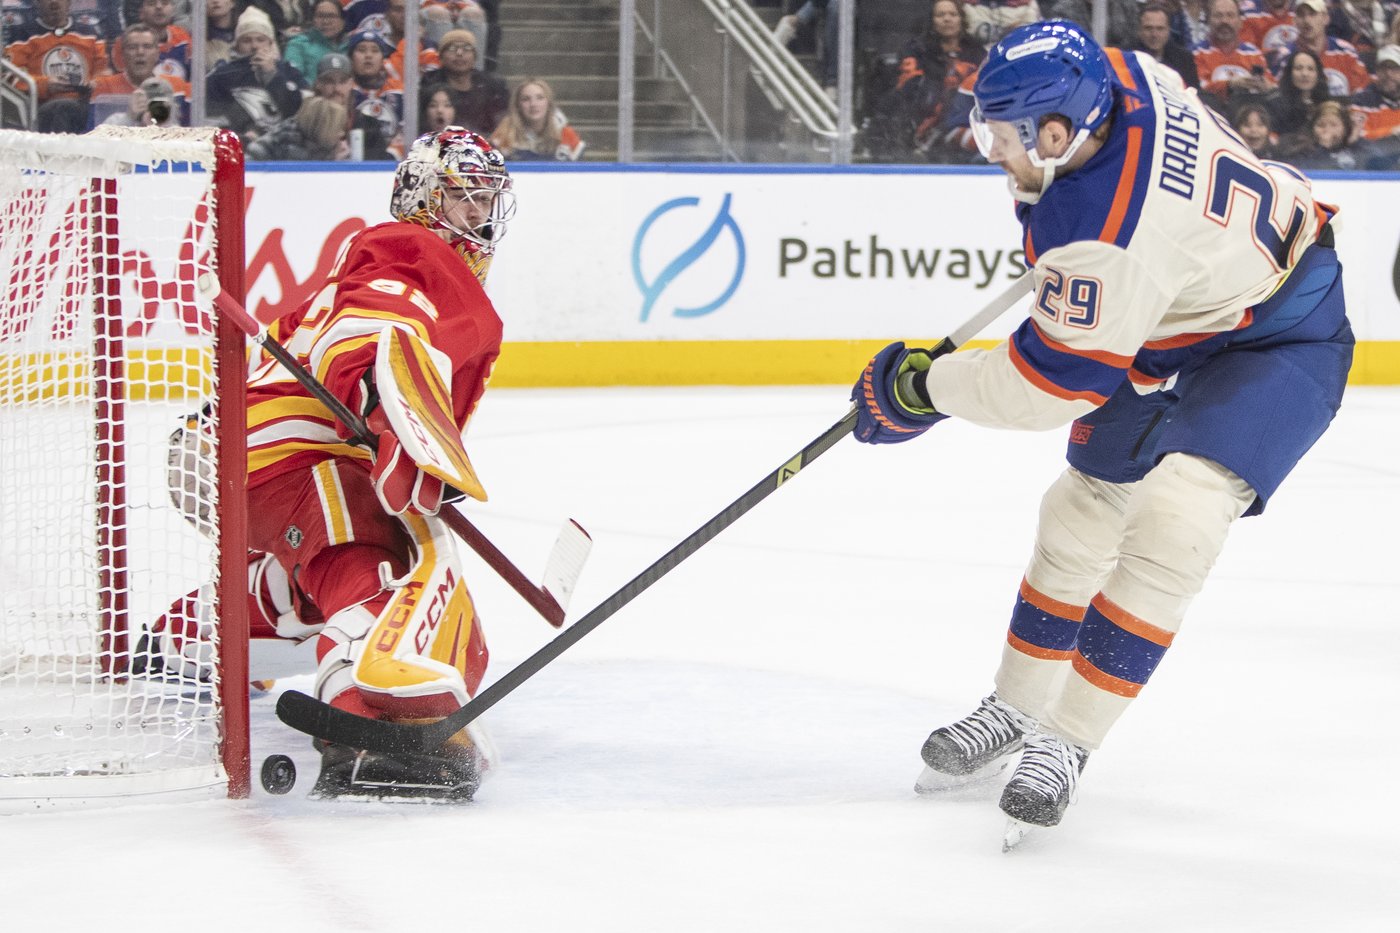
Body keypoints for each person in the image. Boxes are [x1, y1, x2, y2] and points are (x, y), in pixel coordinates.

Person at [850, 20, 1352, 846]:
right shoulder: (1117, 73)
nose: (990, 151)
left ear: (1057, 132)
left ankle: (1065, 740)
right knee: (1083, 507)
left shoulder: (1109, 234)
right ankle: (1016, 705)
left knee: (1178, 515)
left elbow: (1047, 385)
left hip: (1280, 329)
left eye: (1003, 136)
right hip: (1170, 312)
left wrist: (923, 389)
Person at [241, 128, 516, 798]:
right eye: (464, 198)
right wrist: (388, 413)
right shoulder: (411, 248)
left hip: (269, 455)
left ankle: (191, 636)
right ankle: (367, 724)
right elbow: (369, 331)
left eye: (486, 201)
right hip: (306, 451)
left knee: (317, 576)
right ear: (423, 197)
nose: (480, 217)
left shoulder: (402, 258)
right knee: (395, 575)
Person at [4, 0, 111, 133]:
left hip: (86, 104)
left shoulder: (90, 33)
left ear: (69, 2)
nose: (54, 2)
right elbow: (9, 77)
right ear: (37, 2)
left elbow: (104, 70)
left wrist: (96, 83)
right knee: (61, 108)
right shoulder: (21, 34)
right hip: (40, 107)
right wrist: (45, 85)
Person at [206, 7, 306, 147]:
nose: (254, 46)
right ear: (237, 45)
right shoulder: (221, 76)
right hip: (237, 146)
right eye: (247, 40)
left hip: (284, 146)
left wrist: (272, 75)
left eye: (261, 40)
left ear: (271, 43)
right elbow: (212, 117)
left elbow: (300, 111)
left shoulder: (289, 71)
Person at [89, 22, 190, 127]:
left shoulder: (178, 87)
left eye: (147, 47)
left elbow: (193, 131)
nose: (140, 52)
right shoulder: (103, 87)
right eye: (133, 47)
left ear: (157, 53)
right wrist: (128, 119)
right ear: (123, 54)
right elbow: (90, 137)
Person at [1273, 0, 1371, 96]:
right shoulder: (1286, 55)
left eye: (1312, 14)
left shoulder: (1346, 52)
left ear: (1325, 18)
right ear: (1294, 21)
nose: (1307, 21)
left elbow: (1362, 92)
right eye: (1301, 15)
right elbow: (1280, 98)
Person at [420, 28, 506, 134]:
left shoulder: (492, 86)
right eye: (452, 48)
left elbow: (501, 124)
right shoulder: (429, 84)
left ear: (475, 57)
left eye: (467, 48)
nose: (459, 53)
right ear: (441, 57)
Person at [1193, 0, 1274, 112]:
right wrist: (1231, 85)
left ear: (1240, 21)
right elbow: (1199, 90)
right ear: (1208, 20)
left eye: (1230, 15)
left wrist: (1265, 86)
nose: (1224, 21)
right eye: (1218, 15)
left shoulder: (1254, 54)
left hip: (1251, 120)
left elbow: (1272, 88)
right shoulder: (1197, 53)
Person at [490, 77, 584, 161]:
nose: (533, 104)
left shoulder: (566, 135)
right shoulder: (503, 136)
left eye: (540, 98)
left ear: (549, 103)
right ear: (517, 105)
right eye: (526, 99)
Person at [346, 27, 405, 159]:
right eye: (361, 50)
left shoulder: (399, 91)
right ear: (351, 58)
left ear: (383, 59)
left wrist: (391, 155)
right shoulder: (345, 91)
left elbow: (406, 131)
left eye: (375, 50)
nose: (368, 55)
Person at [1266, 47, 1332, 150]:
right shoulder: (1275, 103)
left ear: (1318, 74)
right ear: (1290, 73)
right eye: (1298, 68)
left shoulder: (1326, 104)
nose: (1305, 74)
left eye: (1310, 69)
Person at [1133, 0, 1201, 90]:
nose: (1154, 34)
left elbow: (1194, 94)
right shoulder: (1127, 57)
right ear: (1139, 30)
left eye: (1160, 29)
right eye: (1148, 28)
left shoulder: (1184, 60)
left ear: (1168, 30)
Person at [285, 0, 348, 84]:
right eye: (320, 16)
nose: (326, 21)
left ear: (342, 22)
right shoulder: (298, 44)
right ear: (313, 20)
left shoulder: (352, 46)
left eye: (331, 16)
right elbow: (291, 79)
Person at [1351, 41, 1400, 139]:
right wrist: (1393, 132)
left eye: (1394, 68)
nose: (1388, 74)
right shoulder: (1360, 101)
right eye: (1383, 68)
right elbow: (1358, 137)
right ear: (1376, 71)